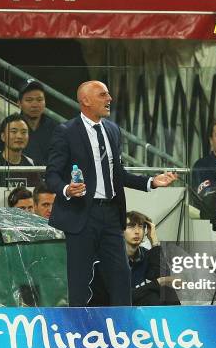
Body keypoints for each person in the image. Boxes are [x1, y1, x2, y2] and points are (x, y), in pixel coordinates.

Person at [46, 80, 177, 307]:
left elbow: (119, 175)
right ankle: (78, 331)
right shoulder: (66, 131)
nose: (109, 99)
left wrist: (151, 181)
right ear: (85, 100)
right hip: (81, 215)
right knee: (79, 279)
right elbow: (52, 175)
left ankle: (122, 329)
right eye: (103, 95)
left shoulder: (113, 130)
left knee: (121, 275)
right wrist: (67, 189)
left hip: (111, 215)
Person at [0, 113, 39, 188]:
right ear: (3, 137)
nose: (19, 136)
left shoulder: (31, 164)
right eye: (14, 132)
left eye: (24, 132)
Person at [18, 79, 58, 166]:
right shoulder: (10, 127)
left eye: (39, 100)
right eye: (29, 100)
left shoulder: (55, 128)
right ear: (19, 103)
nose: (34, 105)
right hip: (20, 177)